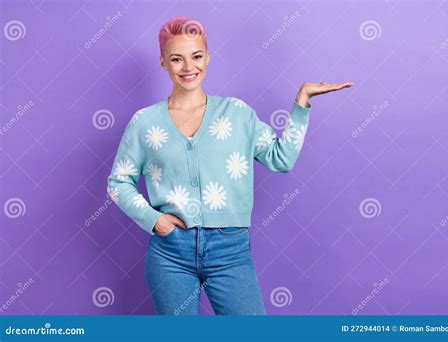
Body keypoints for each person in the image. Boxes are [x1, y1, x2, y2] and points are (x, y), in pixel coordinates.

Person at [106, 16, 353, 315]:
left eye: (196, 56)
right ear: (163, 63)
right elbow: (118, 182)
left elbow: (281, 158)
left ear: (208, 57)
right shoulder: (144, 122)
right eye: (176, 59)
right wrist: (153, 219)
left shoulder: (237, 114)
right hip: (170, 252)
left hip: (230, 250)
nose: (188, 67)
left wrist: (301, 104)